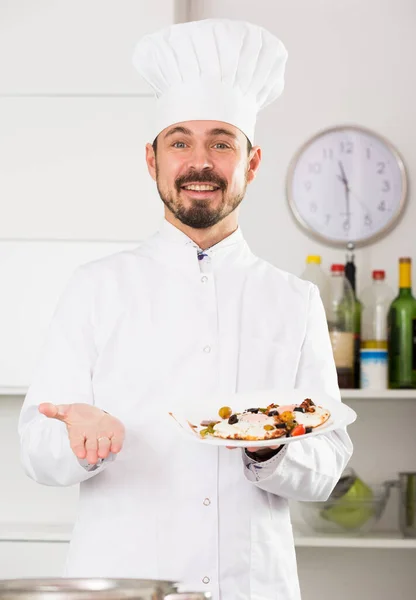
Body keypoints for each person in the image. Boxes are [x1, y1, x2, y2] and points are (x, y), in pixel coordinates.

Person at [18, 18, 353, 600]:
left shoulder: (294, 301)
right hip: (125, 583)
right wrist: (79, 439)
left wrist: (273, 447)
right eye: (180, 142)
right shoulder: (96, 287)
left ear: (250, 163)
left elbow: (329, 461)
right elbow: (37, 449)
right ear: (152, 161)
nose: (201, 162)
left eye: (222, 142)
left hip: (251, 585)